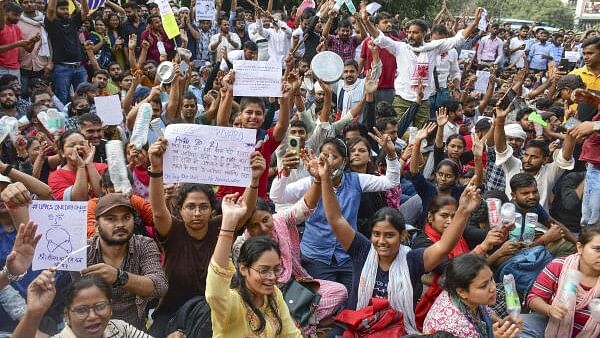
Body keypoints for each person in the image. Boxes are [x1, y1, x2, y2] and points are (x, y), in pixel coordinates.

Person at [319, 145, 483, 334]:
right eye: (377, 234)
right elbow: (335, 219)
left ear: (403, 236)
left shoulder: (412, 260)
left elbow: (445, 246)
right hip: (357, 326)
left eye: (389, 235)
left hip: (396, 331)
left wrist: (463, 211)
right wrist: (325, 179)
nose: (381, 241)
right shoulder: (362, 250)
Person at [146, 137, 265, 336]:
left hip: (215, 311)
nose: (197, 213)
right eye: (190, 207)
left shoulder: (220, 226)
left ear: (212, 210)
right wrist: (156, 168)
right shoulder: (173, 230)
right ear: (179, 209)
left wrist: (254, 180)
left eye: (203, 207)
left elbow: (244, 211)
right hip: (171, 313)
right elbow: (158, 212)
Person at [270, 134, 400, 292]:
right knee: (324, 301)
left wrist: (391, 154)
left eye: (334, 157)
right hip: (315, 256)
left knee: (353, 299)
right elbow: (277, 196)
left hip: (347, 256)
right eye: (324, 155)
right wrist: (284, 171)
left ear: (344, 162)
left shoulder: (356, 180)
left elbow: (391, 182)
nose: (328, 161)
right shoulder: (311, 183)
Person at [360, 5, 483, 128]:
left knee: (423, 133)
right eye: (408, 32)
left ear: (425, 33)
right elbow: (379, 38)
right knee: (396, 131)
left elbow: (458, 39)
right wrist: (366, 21)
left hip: (424, 100)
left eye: (415, 32)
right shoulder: (400, 47)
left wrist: (475, 22)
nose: (410, 36)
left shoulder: (433, 48)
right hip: (402, 98)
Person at [206, 194, 302, 337]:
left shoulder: (274, 294)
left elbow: (291, 335)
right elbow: (215, 287)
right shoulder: (231, 303)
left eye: (276, 269)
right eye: (263, 271)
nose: (272, 277)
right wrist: (228, 224)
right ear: (243, 268)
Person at [12, 273, 157, 338]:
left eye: (100, 306)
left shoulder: (120, 329)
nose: (93, 316)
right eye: (82, 310)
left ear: (110, 307)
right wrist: (33, 312)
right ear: (67, 315)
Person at [521, 224, 600, 338]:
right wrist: (549, 309)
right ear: (580, 248)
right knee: (519, 323)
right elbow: (533, 298)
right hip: (550, 327)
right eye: (597, 249)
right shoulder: (559, 266)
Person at [494, 103, 576, 210]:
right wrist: (500, 120)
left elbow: (566, 156)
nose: (527, 160)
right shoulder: (514, 165)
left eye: (534, 157)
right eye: (526, 155)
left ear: (545, 159)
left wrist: (571, 125)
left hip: (539, 224)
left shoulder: (549, 172)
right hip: (512, 222)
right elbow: (501, 149)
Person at [423, 254, 521, 338]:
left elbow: (486, 312)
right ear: (461, 292)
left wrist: (502, 323)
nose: (493, 288)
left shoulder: (464, 296)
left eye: (491, 279)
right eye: (484, 286)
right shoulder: (456, 326)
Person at [44, 0, 89, 105]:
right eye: (62, 9)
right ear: (56, 10)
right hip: (62, 68)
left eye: (66, 9)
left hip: (79, 67)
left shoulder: (73, 21)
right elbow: (50, 9)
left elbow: (85, 11)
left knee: (83, 97)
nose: (65, 11)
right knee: (62, 98)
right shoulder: (51, 23)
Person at [48, 131, 107, 201]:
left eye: (82, 144)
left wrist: (89, 164)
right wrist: (80, 167)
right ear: (62, 152)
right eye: (72, 145)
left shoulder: (103, 168)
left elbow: (104, 196)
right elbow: (78, 201)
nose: (78, 147)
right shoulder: (56, 177)